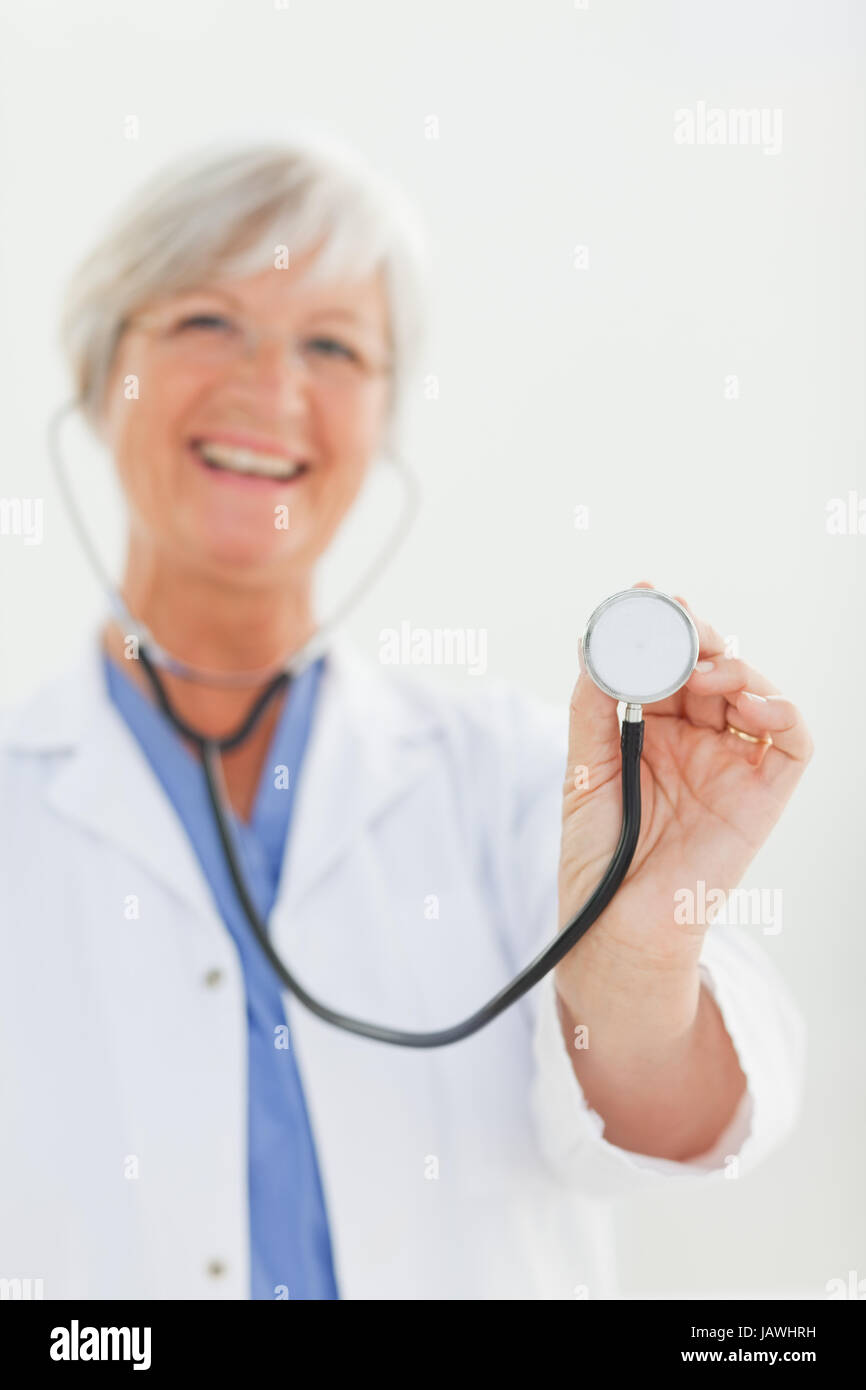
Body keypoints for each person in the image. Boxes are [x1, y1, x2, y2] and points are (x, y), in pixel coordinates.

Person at [0, 136, 812, 1300]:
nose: (270, 388)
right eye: (205, 322)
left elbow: (669, 1130)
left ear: (382, 420)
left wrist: (632, 955)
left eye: (332, 345)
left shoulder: (524, 778)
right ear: (95, 370)